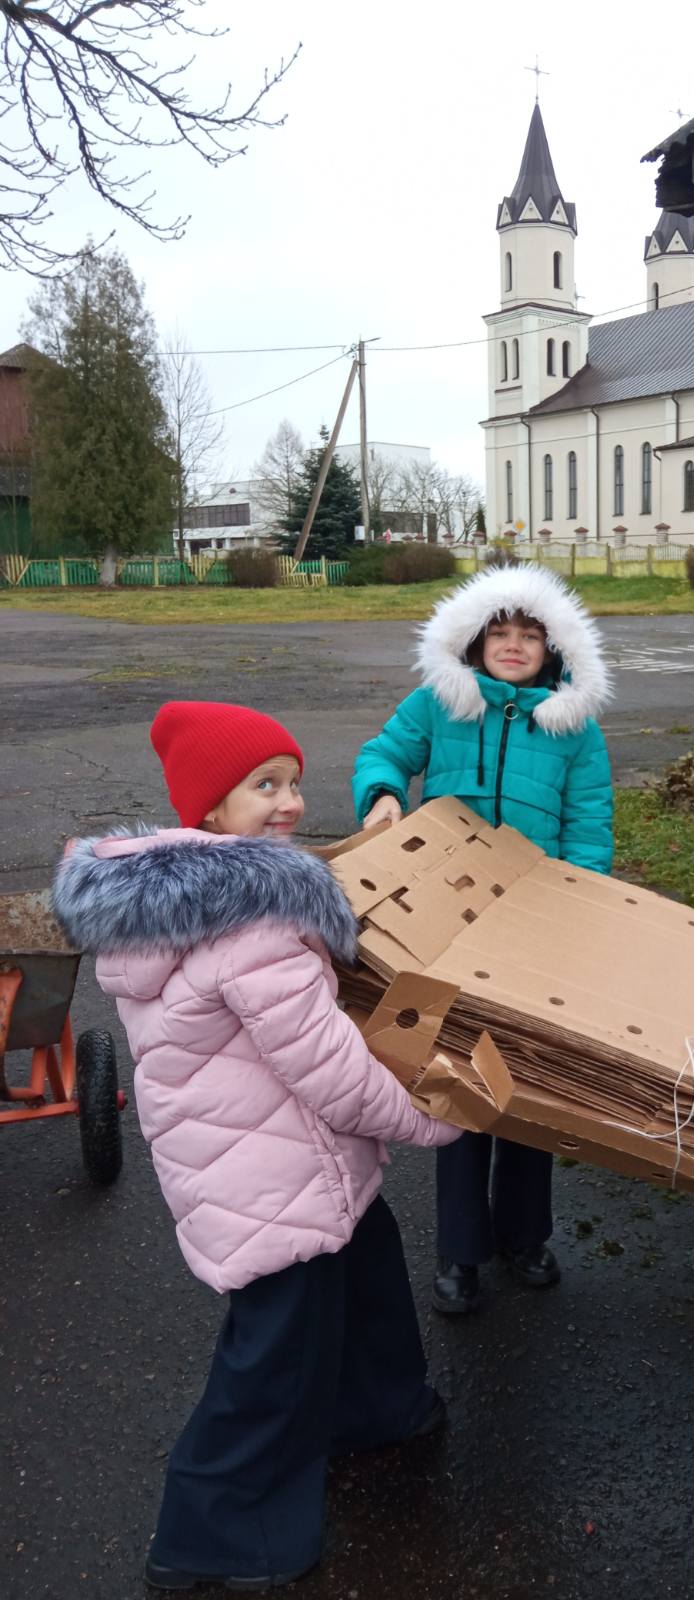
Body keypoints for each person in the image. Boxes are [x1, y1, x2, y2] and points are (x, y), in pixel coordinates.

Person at [53, 701, 461, 1592]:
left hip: (265, 1158)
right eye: (261, 786)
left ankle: (380, 1408)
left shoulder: (183, 907)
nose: (287, 802)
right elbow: (332, 1071)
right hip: (274, 1175)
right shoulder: (258, 924)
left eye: (290, 779)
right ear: (208, 814)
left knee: (367, 1270)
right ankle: (214, 1535)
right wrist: (438, 1121)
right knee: (275, 1359)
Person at [352, 564, 613, 1315]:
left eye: (529, 634)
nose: (512, 644)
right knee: (459, 1087)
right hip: (448, 920)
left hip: (537, 924)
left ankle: (523, 1237)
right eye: (498, 632)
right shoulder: (441, 704)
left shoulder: (573, 729)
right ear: (473, 641)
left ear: (555, 648)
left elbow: (589, 823)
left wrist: (582, 899)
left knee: (527, 1084)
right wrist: (382, 798)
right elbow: (384, 755)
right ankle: (461, 1252)